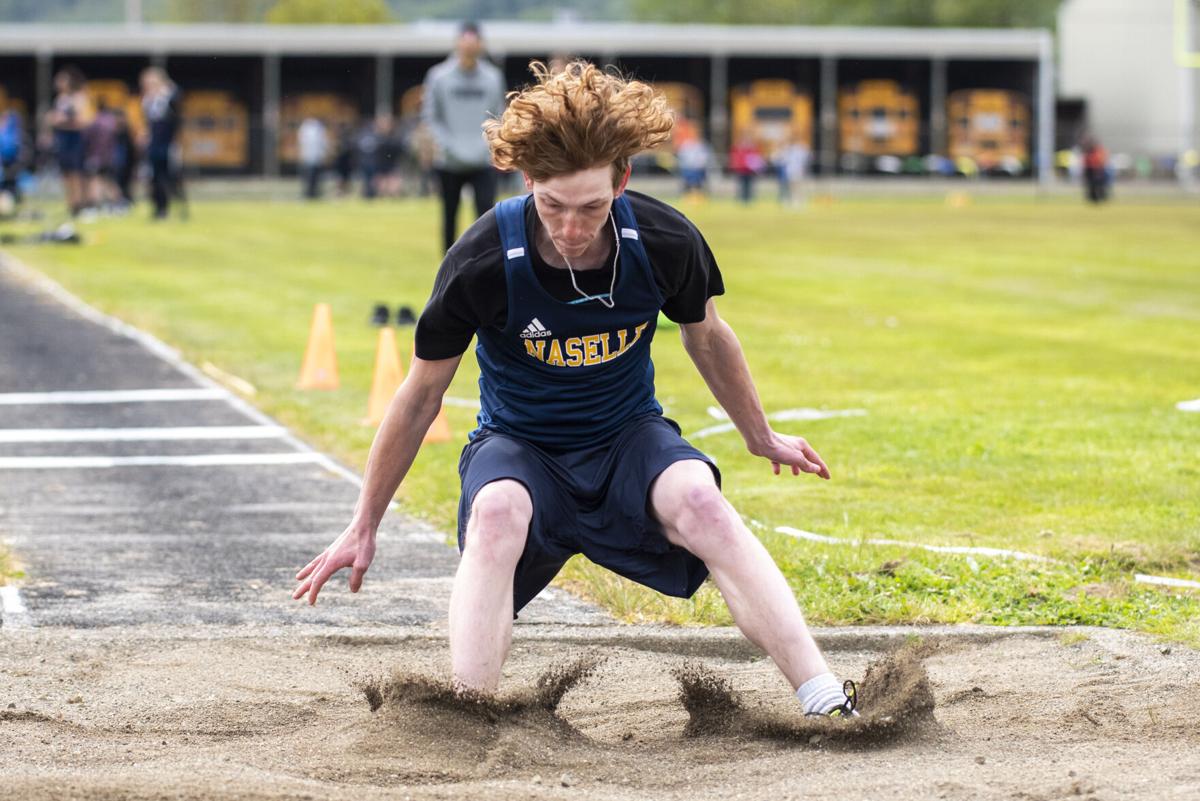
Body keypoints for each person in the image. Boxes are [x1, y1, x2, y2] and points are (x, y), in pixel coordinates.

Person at [293, 61, 859, 720]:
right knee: (498, 511)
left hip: (626, 439)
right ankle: (467, 719)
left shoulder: (665, 240)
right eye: (552, 205)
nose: (570, 228)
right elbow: (420, 394)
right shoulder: (481, 262)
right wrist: (364, 523)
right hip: (520, 446)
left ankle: (823, 697)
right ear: (527, 179)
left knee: (702, 500)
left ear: (621, 180)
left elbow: (707, 335)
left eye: (591, 207)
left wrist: (760, 436)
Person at [422, 21, 506, 252]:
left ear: (480, 45)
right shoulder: (439, 76)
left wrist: (488, 144)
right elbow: (431, 116)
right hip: (449, 160)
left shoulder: (492, 78)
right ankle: (448, 265)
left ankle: (488, 259)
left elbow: (499, 115)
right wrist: (447, 145)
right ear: (458, 43)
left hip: (482, 159)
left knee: (487, 216)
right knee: (450, 214)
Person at [46, 65, 92, 217]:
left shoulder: (78, 98)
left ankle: (80, 204)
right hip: (63, 138)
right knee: (65, 173)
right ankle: (71, 203)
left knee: (76, 173)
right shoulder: (60, 99)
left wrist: (62, 121)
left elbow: (82, 121)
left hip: (75, 139)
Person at [140, 67, 182, 220]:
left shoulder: (167, 97)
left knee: (168, 176)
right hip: (154, 144)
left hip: (167, 144)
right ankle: (158, 207)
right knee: (154, 177)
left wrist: (165, 87)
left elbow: (176, 97)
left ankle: (170, 207)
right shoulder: (148, 101)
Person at [297, 115, 328, 200]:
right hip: (309, 157)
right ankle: (309, 193)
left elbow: (323, 143)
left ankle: (313, 193)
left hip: (315, 157)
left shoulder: (318, 129)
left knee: (315, 178)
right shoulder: (306, 129)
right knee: (308, 178)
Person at [729, 133, 764, 204]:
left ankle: (749, 199)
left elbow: (756, 158)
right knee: (741, 185)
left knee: (749, 185)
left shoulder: (752, 149)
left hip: (749, 170)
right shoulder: (738, 148)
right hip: (741, 169)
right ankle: (742, 199)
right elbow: (735, 158)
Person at [1081, 134, 1110, 204]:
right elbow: (1086, 160)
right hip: (1090, 169)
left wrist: (1099, 168)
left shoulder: (1098, 150)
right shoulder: (1088, 151)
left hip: (1097, 169)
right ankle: (1093, 198)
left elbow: (1101, 160)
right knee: (1091, 185)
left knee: (1099, 184)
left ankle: (1101, 197)